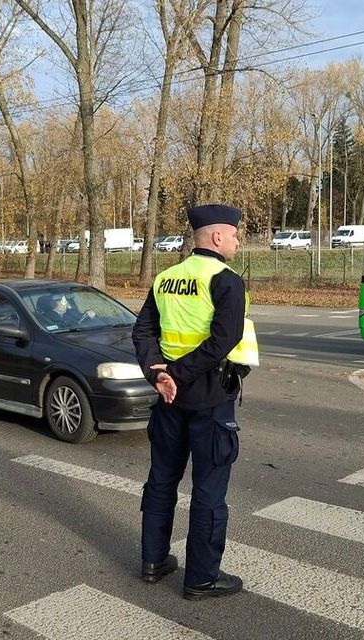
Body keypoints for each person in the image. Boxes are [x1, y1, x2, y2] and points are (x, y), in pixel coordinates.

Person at [132, 204, 258, 601]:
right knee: (208, 490)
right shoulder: (226, 279)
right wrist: (178, 375)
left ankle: (153, 561)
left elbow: (143, 331)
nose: (238, 242)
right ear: (218, 237)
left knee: (162, 481)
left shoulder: (166, 278)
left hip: (168, 400)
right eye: (236, 235)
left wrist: (159, 374)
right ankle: (201, 578)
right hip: (210, 400)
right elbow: (223, 341)